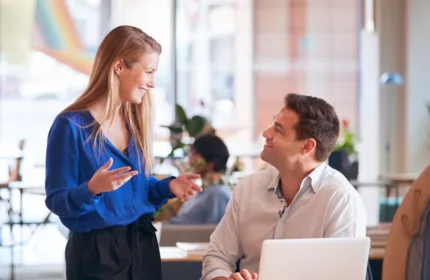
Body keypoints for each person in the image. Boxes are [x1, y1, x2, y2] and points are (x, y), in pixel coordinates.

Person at [44, 25, 202, 280]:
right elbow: (56, 201)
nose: (152, 83)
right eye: (148, 72)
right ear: (119, 66)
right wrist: (92, 188)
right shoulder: (70, 126)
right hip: (96, 255)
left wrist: (168, 187)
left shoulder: (135, 122)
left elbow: (137, 189)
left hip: (142, 245)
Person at [201, 93, 367, 280]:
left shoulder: (340, 199)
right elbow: (217, 256)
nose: (266, 133)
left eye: (278, 130)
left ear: (306, 147)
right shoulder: (248, 188)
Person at [166, 134, 232, 225]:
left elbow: (212, 232)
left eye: (195, 154)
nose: (190, 159)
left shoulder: (217, 194)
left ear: (211, 161)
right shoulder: (203, 191)